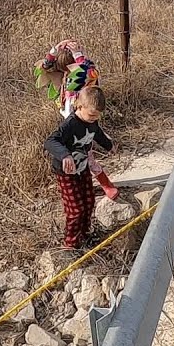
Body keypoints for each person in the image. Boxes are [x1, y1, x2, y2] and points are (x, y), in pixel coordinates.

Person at [34, 39, 120, 200]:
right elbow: (44, 67)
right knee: (76, 158)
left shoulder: (83, 76)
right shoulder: (65, 75)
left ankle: (105, 184)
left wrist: (77, 55)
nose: (67, 70)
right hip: (70, 120)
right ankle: (84, 186)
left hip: (85, 119)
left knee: (88, 156)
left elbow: (88, 72)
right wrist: (54, 51)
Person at [44, 85, 114, 249]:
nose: (93, 119)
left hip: (83, 169)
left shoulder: (92, 121)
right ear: (79, 106)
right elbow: (50, 141)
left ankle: (84, 234)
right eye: (91, 115)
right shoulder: (70, 124)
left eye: (97, 116)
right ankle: (70, 244)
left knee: (89, 203)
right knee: (75, 209)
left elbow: (97, 133)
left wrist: (109, 146)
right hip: (67, 174)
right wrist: (65, 155)